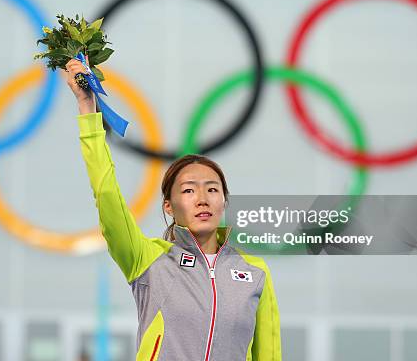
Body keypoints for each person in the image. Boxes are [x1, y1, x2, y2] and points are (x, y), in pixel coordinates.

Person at [65, 58, 282, 361]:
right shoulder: (148, 260)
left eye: (213, 189)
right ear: (169, 205)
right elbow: (106, 194)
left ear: (224, 201)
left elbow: (269, 355)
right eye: (189, 190)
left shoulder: (255, 272)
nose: (203, 198)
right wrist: (88, 111)